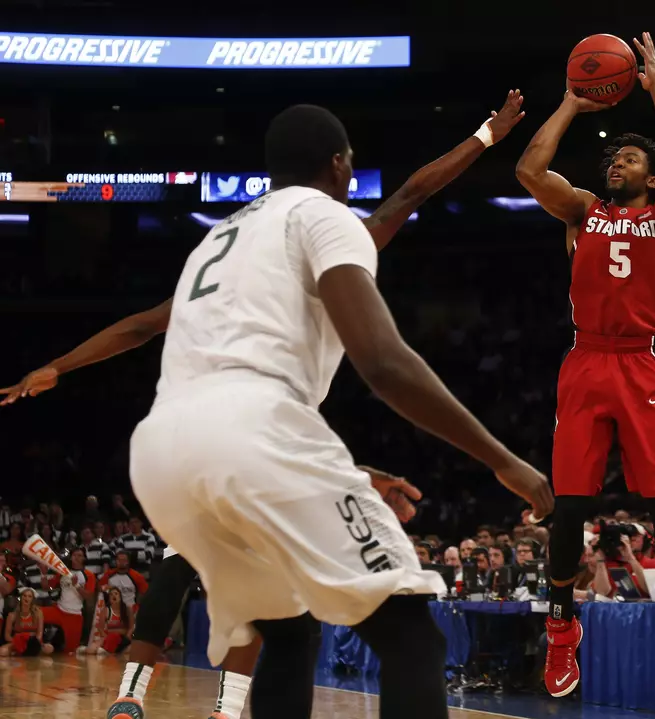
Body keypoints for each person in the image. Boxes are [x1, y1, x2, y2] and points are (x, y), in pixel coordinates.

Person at [0, 92, 528, 719]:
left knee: (288, 628)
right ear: (338, 166)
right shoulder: (325, 218)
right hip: (252, 434)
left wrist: (57, 365)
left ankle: (162, 699)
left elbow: (142, 327)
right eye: (351, 163)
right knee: (411, 635)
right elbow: (404, 231)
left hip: (166, 455)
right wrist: (503, 460)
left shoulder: (219, 243)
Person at [516, 32, 655, 701]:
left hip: (639, 364)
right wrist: (568, 104)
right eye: (614, 157)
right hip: (586, 360)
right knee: (570, 506)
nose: (615, 164)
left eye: (628, 158)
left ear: (649, 178)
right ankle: (562, 625)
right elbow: (530, 172)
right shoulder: (580, 212)